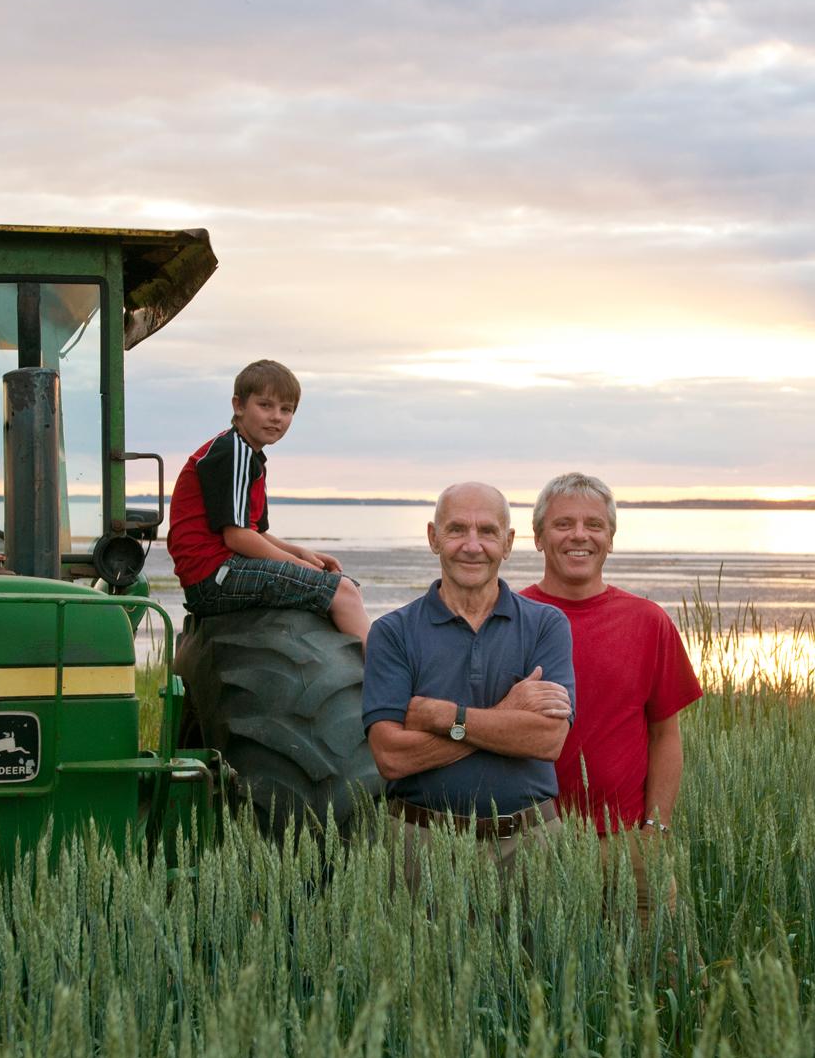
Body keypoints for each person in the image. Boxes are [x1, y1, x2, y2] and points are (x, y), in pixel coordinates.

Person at [362, 481, 575, 881]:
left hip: (529, 843)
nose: (472, 545)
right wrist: (507, 715)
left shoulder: (546, 625)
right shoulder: (392, 632)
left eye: (488, 531)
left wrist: (442, 715)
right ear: (433, 538)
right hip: (419, 844)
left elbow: (547, 740)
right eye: (457, 529)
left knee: (538, 947)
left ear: (509, 543)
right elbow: (391, 757)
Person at [520, 472, 702, 924]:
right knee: (539, 983)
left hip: (630, 846)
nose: (579, 535)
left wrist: (656, 830)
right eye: (563, 524)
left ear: (611, 539)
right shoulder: (512, 618)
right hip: (534, 843)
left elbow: (665, 734)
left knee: (662, 980)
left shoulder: (647, 621)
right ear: (539, 537)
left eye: (594, 525)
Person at [166, 360, 370, 645]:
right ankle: (383, 684)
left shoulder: (250, 457)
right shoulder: (232, 451)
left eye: (286, 410)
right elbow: (237, 537)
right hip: (215, 576)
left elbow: (256, 532)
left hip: (226, 569)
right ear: (239, 405)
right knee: (343, 592)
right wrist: (297, 566)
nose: (276, 417)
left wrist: (300, 553)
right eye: (265, 406)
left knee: (347, 587)